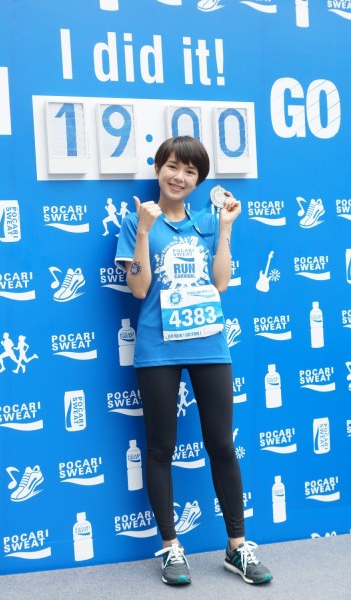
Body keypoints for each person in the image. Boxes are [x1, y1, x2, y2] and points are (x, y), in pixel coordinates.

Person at [115, 136, 272, 586]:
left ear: (199, 180)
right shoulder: (137, 220)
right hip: (157, 347)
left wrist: (225, 229)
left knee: (221, 443)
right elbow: (138, 289)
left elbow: (220, 284)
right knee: (160, 448)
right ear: (158, 168)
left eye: (190, 171)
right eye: (172, 166)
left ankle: (237, 546)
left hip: (209, 344)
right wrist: (143, 232)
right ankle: (170, 547)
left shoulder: (208, 221)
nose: (179, 177)